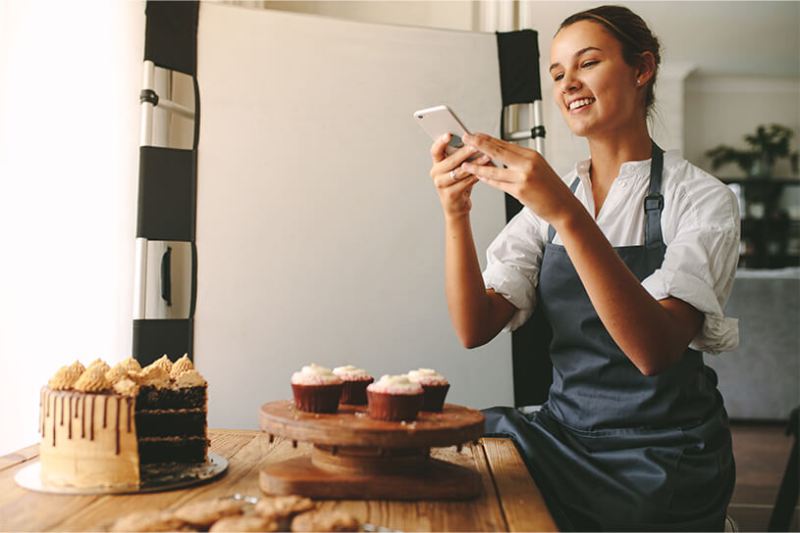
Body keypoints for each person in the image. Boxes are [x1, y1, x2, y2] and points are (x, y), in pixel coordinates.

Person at [428, 5, 739, 531]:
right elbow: (473, 328)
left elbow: (654, 351)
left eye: (587, 63)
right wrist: (455, 214)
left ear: (642, 69)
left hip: (660, 454)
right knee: (437, 456)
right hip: (561, 432)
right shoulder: (554, 198)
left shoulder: (702, 200)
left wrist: (567, 216)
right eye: (556, 73)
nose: (567, 82)